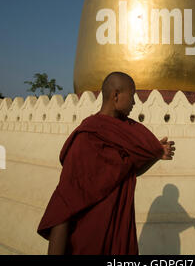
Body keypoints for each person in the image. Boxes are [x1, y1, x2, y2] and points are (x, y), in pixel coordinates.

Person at [37, 72, 175, 255]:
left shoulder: (128, 133)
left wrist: (155, 155)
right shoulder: (87, 138)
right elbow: (63, 206)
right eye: (132, 96)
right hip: (87, 242)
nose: (134, 103)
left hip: (117, 238)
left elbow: (129, 171)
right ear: (116, 95)